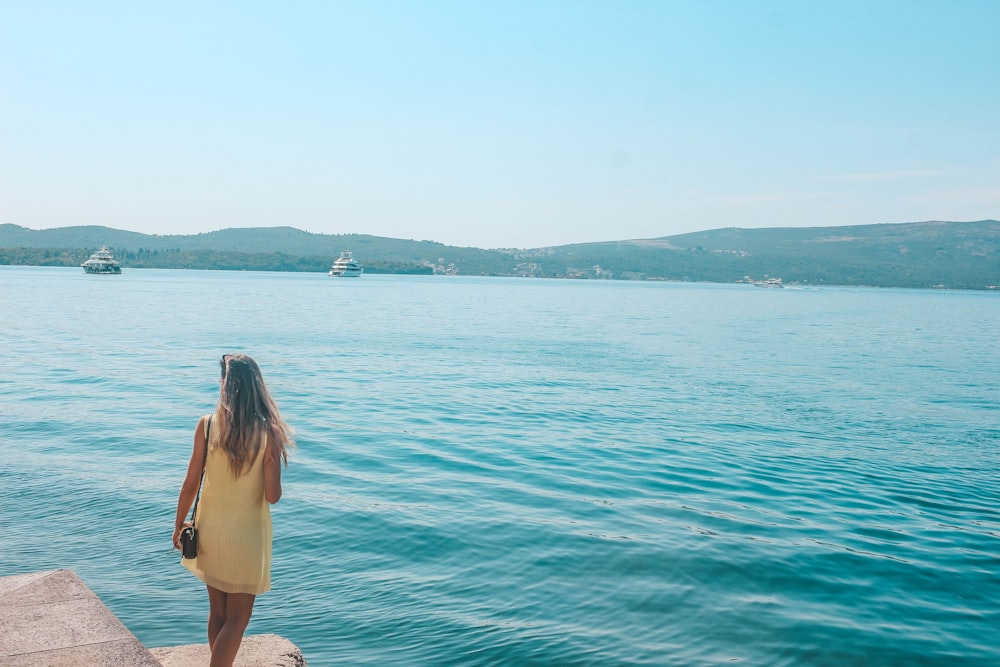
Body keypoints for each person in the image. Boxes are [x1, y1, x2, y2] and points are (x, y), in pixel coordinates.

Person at [173, 354, 293, 667]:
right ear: (257, 387)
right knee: (239, 618)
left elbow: (189, 484)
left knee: (219, 613)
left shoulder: (207, 425)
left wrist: (177, 526)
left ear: (226, 386)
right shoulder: (270, 433)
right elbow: (272, 496)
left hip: (210, 530)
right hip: (246, 537)